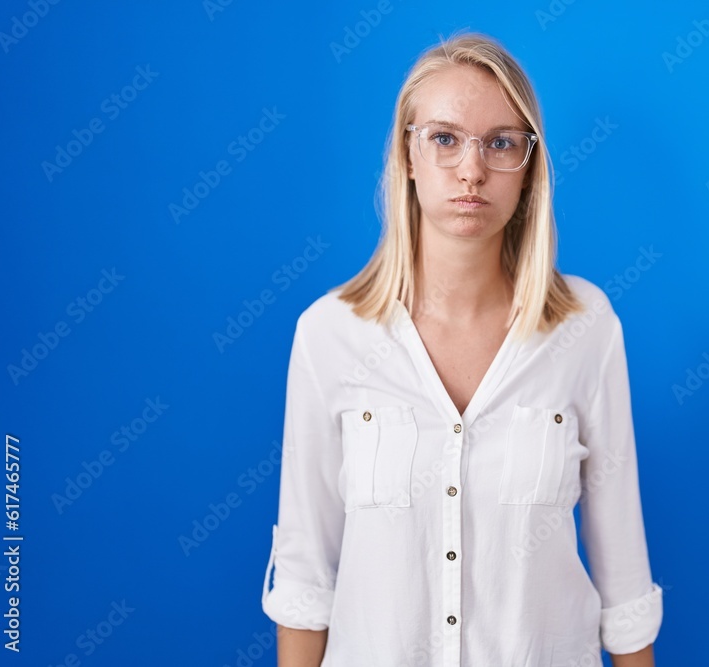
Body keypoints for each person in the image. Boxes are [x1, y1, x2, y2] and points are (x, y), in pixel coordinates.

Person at [260, 31, 663, 667]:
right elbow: (307, 580)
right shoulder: (329, 335)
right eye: (445, 138)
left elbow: (624, 577)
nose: (472, 169)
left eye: (501, 143)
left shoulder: (586, 328)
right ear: (408, 154)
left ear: (529, 166)